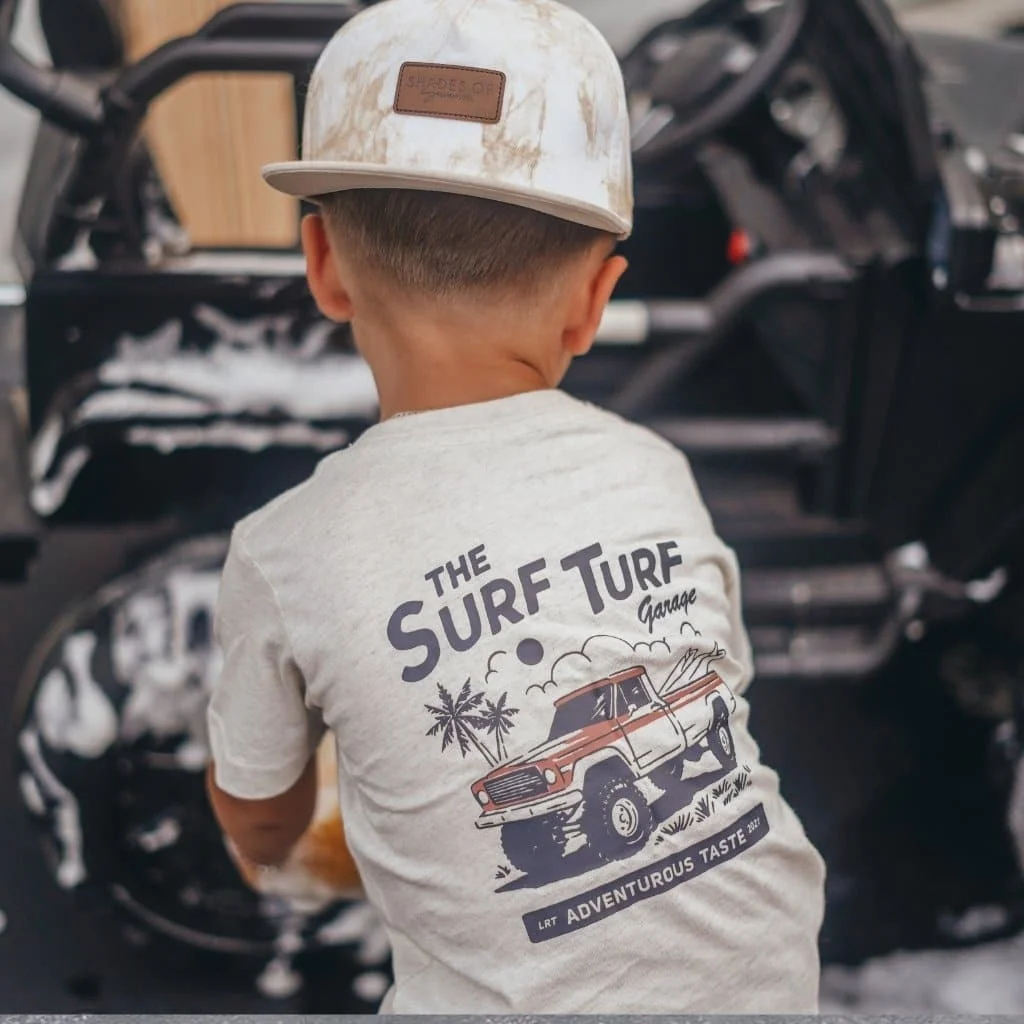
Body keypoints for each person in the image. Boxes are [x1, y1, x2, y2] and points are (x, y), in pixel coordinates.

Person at [206, 0, 827, 1012]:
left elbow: (259, 815)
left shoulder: (281, 551)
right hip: (770, 989)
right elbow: (719, 679)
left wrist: (275, 843)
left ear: (321, 266)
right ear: (594, 301)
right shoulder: (654, 469)